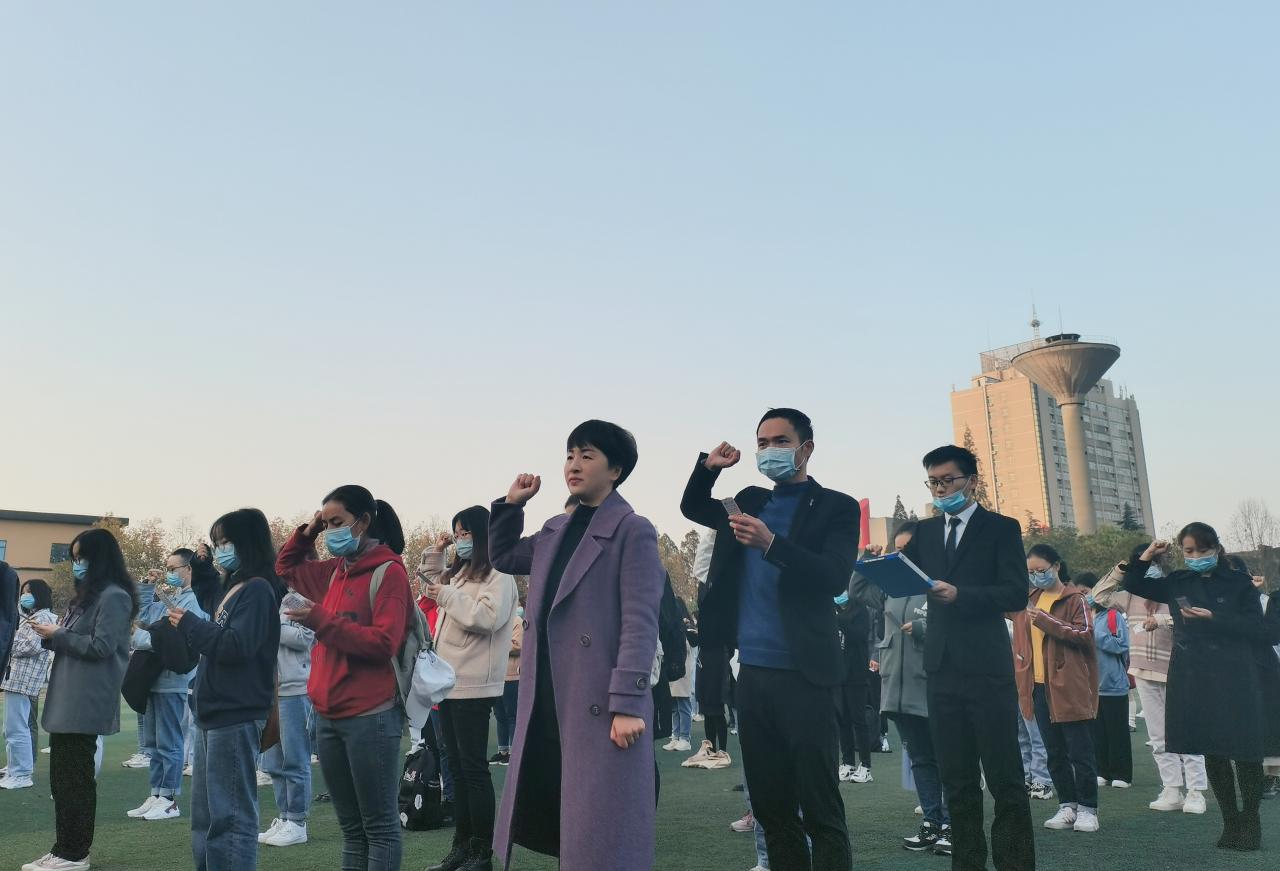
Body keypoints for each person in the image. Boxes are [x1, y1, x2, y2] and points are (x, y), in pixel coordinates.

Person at [681, 408, 861, 871]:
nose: (769, 450)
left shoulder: (836, 507)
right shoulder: (749, 500)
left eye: (781, 441)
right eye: (762, 443)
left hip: (806, 675)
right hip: (753, 674)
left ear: (806, 448)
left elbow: (834, 576)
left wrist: (771, 544)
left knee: (820, 807)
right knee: (771, 807)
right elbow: (693, 507)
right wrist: (708, 468)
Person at [489, 419, 665, 871]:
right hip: (548, 696)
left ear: (616, 470)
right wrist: (512, 504)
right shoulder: (555, 529)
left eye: (587, 456)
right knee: (565, 816)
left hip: (599, 699)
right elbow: (504, 556)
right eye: (570, 455)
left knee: (600, 829)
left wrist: (628, 702)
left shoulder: (633, 529)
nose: (574, 465)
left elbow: (640, 622)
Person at [899, 445, 1034, 871]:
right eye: (933, 482)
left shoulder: (1001, 528)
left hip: (987, 667)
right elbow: (905, 578)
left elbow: (1015, 593)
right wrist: (883, 567)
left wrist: (962, 595)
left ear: (971, 481)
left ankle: (1015, 863)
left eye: (948, 480)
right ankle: (967, 863)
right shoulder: (924, 532)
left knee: (1005, 778)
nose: (940, 489)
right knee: (956, 781)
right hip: (941, 669)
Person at [276, 485, 413, 871]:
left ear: (364, 521)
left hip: (370, 714)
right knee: (351, 829)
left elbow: (383, 643)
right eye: (327, 523)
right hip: (328, 714)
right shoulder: (335, 571)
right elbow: (285, 567)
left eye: (338, 522)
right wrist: (309, 531)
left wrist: (320, 619)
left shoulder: (389, 572)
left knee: (379, 826)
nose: (331, 530)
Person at [1121, 524, 1280, 851]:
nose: (1195, 557)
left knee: (1245, 752)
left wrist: (1214, 617)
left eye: (1202, 550)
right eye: (1189, 551)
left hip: (1235, 675)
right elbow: (1134, 583)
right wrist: (1146, 555)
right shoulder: (1179, 581)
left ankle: (1250, 820)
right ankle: (1230, 821)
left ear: (1216, 549)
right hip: (1194, 674)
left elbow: (1260, 630)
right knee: (1213, 749)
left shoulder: (1238, 583)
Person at [171, 509, 282, 870]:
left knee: (230, 818)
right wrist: (202, 567)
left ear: (247, 543)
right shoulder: (234, 588)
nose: (220, 550)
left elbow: (237, 645)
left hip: (235, 712)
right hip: (215, 711)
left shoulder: (258, 589)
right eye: (216, 543)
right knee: (206, 818)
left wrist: (190, 625)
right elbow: (210, 598)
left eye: (226, 542)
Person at [23, 527, 136, 871]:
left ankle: (74, 853)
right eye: (74, 558)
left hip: (86, 699)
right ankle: (64, 849)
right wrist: (51, 634)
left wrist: (58, 633)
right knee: (63, 780)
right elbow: (74, 638)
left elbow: (101, 647)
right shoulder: (88, 596)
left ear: (100, 558)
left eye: (82, 558)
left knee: (75, 780)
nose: (76, 565)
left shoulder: (114, 596)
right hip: (70, 696)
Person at [421, 505, 519, 871]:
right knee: (458, 769)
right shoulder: (461, 574)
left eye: (466, 533)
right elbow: (432, 584)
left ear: (483, 535)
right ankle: (461, 846)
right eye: (457, 533)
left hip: (474, 684)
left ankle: (481, 852)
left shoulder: (499, 574)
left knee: (473, 769)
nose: (461, 539)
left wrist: (446, 595)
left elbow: (487, 618)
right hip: (449, 681)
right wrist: (437, 551)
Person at [851, 522, 953, 856]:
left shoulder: (940, 584)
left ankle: (952, 825)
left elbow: (959, 624)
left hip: (932, 687)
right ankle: (932, 822)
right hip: (897, 688)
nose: (902, 555)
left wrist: (924, 627)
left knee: (945, 759)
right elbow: (858, 590)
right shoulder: (892, 588)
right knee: (921, 759)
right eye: (897, 549)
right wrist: (868, 558)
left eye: (907, 549)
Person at [1092, 546, 1207, 813]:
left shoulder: (1176, 591)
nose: (1154, 567)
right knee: (1158, 736)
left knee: (1187, 732)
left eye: (1158, 561)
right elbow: (1098, 595)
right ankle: (1172, 788)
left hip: (1178, 670)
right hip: (1143, 670)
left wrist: (1162, 620)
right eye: (1149, 562)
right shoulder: (1130, 595)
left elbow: (1192, 619)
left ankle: (1196, 792)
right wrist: (1122, 569)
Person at [1010, 545, 1099, 833]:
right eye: (1031, 572)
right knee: (1054, 751)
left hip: (1068, 685)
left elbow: (1085, 634)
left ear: (1057, 566)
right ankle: (1067, 805)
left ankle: (1088, 809)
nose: (1036, 576)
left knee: (1080, 751)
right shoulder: (1029, 599)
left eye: (1041, 570)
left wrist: (1046, 621)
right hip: (1037, 685)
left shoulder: (1075, 599)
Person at [126, 550, 208, 822]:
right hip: (155, 678)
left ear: (189, 569)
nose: (169, 573)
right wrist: (148, 586)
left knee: (169, 741)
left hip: (172, 680)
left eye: (174, 568)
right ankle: (157, 793)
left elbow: (173, 640)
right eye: (167, 568)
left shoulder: (193, 601)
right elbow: (144, 616)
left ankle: (169, 799)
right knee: (153, 742)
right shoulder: (171, 598)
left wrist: (139, 637)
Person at [258, 593, 316, 848]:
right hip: (272, 690)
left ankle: (297, 821)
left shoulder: (299, 599)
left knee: (294, 759)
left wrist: (270, 625)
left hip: (295, 690)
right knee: (273, 762)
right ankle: (284, 817)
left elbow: (305, 638)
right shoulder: (272, 597)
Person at [1, 579, 57, 790]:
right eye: (23, 592)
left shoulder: (44, 618)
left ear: (40, 595)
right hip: (16, 679)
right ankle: (14, 768)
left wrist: (9, 642)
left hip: (24, 680)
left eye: (29, 592)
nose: (25, 596)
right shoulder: (31, 618)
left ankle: (22, 773)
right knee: (11, 728)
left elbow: (32, 646)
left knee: (17, 728)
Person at [1089, 586, 1133, 790]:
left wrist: (1096, 636)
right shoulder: (1083, 617)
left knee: (1117, 732)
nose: (1086, 597)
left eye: (1088, 592)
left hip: (1114, 685)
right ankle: (1102, 771)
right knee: (1098, 733)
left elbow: (1122, 645)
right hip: (1091, 687)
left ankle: (1121, 774)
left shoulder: (1114, 616)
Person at [834, 588, 873, 784]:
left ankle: (866, 766)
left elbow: (859, 635)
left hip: (856, 673)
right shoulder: (832, 609)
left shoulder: (860, 610)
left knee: (859, 720)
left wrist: (838, 620)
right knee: (843, 720)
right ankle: (848, 763)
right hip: (838, 673)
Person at [490, 601, 524, 766]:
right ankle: (502, 750)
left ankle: (513, 752)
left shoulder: (517, 621)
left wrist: (496, 644)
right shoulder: (496, 622)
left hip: (512, 676)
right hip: (497, 676)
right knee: (500, 715)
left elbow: (518, 645)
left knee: (512, 716)